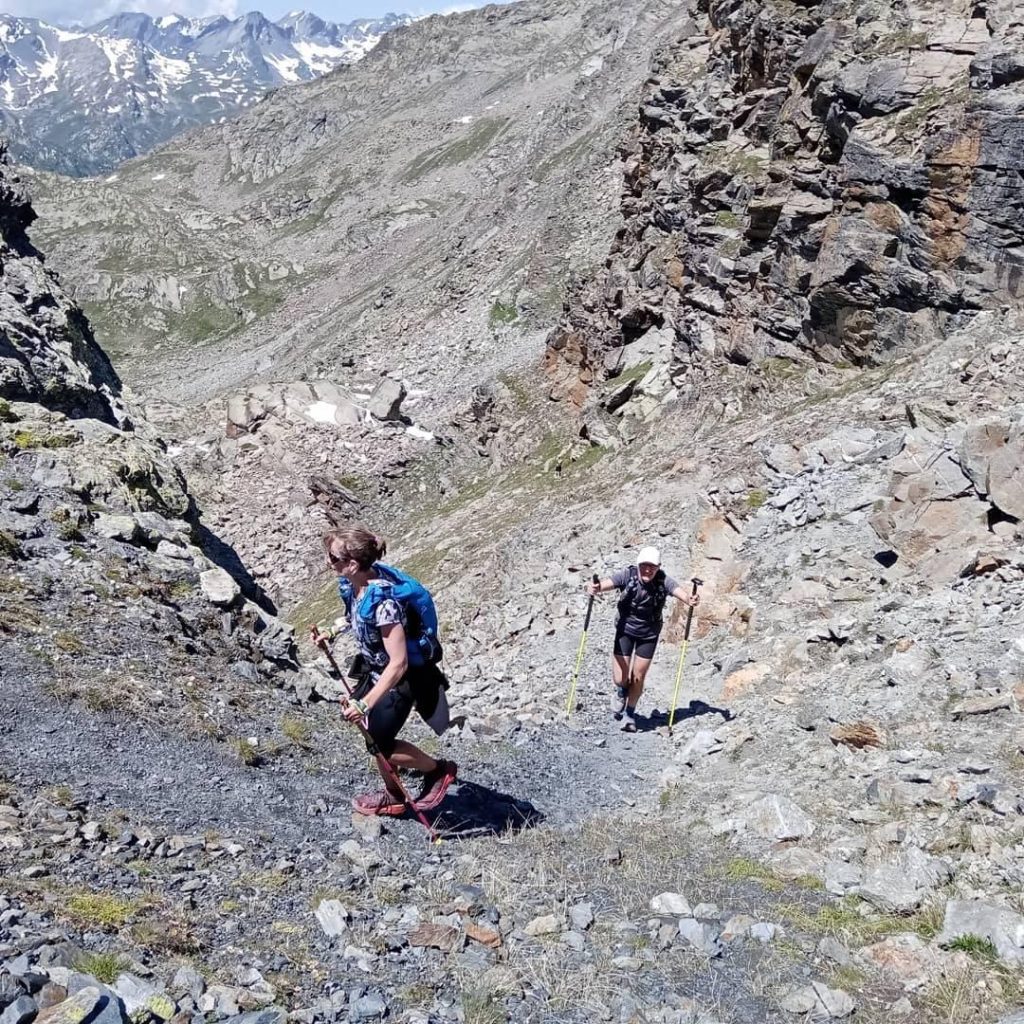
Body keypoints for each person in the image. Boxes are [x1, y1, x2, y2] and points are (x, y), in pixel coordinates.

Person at [322, 525, 457, 816]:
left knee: (381, 744)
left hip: (398, 681)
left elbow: (398, 663)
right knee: (372, 736)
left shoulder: (383, 601)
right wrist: (330, 633)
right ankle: (394, 795)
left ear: (353, 564)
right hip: (375, 672)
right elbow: (354, 616)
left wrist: (365, 702)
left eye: (333, 558)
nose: (328, 562)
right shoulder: (354, 586)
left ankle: (437, 771)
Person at [587, 546, 699, 732]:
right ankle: (622, 690)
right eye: (644, 565)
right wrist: (594, 588)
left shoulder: (663, 581)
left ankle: (629, 715)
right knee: (620, 678)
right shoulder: (628, 575)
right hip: (625, 631)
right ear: (639, 564)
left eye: (652, 567)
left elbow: (683, 595)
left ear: (658, 567)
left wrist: (690, 599)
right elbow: (604, 585)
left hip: (649, 634)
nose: (648, 570)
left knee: (638, 677)